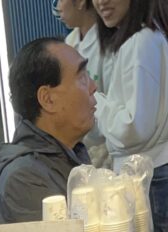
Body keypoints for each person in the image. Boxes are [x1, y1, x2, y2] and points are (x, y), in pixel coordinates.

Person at [94, 0, 168, 232]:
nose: (101, 2)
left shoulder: (139, 43)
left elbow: (132, 129)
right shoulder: (149, 37)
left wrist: (96, 102)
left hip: (146, 176)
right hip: (155, 171)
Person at [0, 38, 97, 224]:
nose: (93, 87)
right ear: (48, 99)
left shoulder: (69, 153)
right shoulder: (24, 180)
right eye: (82, 77)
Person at [53, 0, 108, 166]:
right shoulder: (70, 41)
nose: (58, 8)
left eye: (61, 0)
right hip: (81, 149)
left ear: (81, 2)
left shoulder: (108, 44)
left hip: (107, 150)